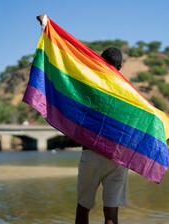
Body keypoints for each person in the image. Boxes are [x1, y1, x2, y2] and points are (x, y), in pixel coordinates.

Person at [36, 15, 128, 224]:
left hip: (92, 153)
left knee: (83, 208)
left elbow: (67, 63)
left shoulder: (89, 83)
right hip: (117, 156)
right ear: (120, 67)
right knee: (111, 214)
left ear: (99, 62)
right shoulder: (127, 92)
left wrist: (45, 25)